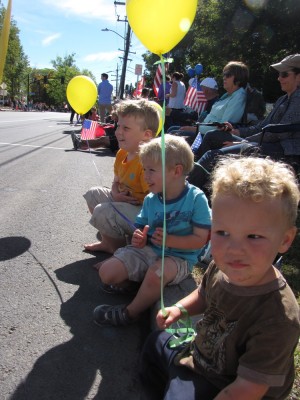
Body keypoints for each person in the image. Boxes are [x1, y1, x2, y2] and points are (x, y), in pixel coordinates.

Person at [140, 156, 300, 400]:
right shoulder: (221, 267)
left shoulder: (278, 317)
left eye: (254, 236)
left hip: (230, 386)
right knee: (155, 343)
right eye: (222, 232)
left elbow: (247, 390)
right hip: (201, 356)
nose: (233, 249)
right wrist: (179, 309)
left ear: (285, 240)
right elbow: (204, 294)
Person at [92, 135, 211, 326]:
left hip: (178, 258)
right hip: (149, 250)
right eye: (144, 169)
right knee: (107, 273)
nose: (145, 175)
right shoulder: (151, 199)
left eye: (151, 170)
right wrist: (139, 238)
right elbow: (141, 227)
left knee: (157, 273)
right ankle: (139, 290)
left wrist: (170, 241)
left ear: (177, 171)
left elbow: (200, 239)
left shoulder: (196, 198)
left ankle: (130, 313)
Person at [188, 54, 300, 191]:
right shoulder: (283, 99)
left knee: (212, 155)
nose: (279, 78)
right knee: (213, 135)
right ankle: (201, 184)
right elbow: (262, 126)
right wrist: (237, 132)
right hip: (261, 141)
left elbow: (277, 133)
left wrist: (244, 142)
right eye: (279, 75)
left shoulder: (298, 100)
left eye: (284, 74)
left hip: (282, 149)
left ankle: (189, 193)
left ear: (298, 76)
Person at [83, 100, 160, 254]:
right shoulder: (122, 153)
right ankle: (109, 242)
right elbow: (116, 181)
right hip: (124, 203)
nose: (118, 132)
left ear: (146, 135)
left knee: (104, 211)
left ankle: (120, 251)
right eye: (118, 125)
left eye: (126, 128)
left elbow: (157, 201)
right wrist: (115, 193)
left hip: (144, 215)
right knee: (93, 194)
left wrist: (128, 202)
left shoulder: (147, 162)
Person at [190, 61, 249, 153]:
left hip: (210, 134)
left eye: (228, 75)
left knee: (177, 134)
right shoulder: (226, 96)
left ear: (238, 79)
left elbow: (222, 126)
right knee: (174, 130)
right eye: (224, 74)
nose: (224, 77)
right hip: (204, 130)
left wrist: (196, 129)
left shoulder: (238, 97)